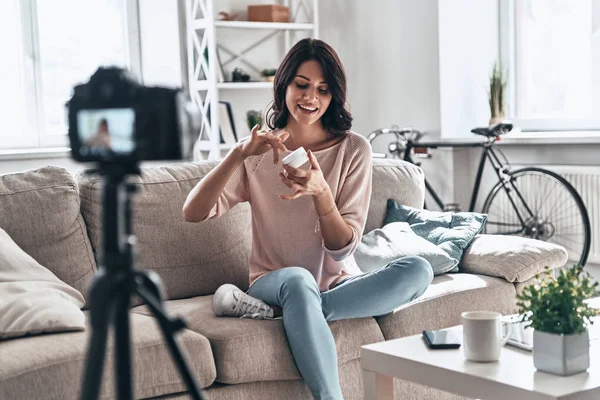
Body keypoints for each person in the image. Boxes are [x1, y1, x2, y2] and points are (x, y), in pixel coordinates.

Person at [183, 38, 433, 400]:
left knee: (418, 270)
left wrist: (321, 194)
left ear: (334, 96)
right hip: (274, 282)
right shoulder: (256, 153)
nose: (310, 97)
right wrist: (237, 153)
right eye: (301, 84)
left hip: (335, 283)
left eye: (323, 89)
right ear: (283, 84)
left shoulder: (353, 150)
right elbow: (193, 212)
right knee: (299, 282)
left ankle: (295, 314)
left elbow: (341, 249)